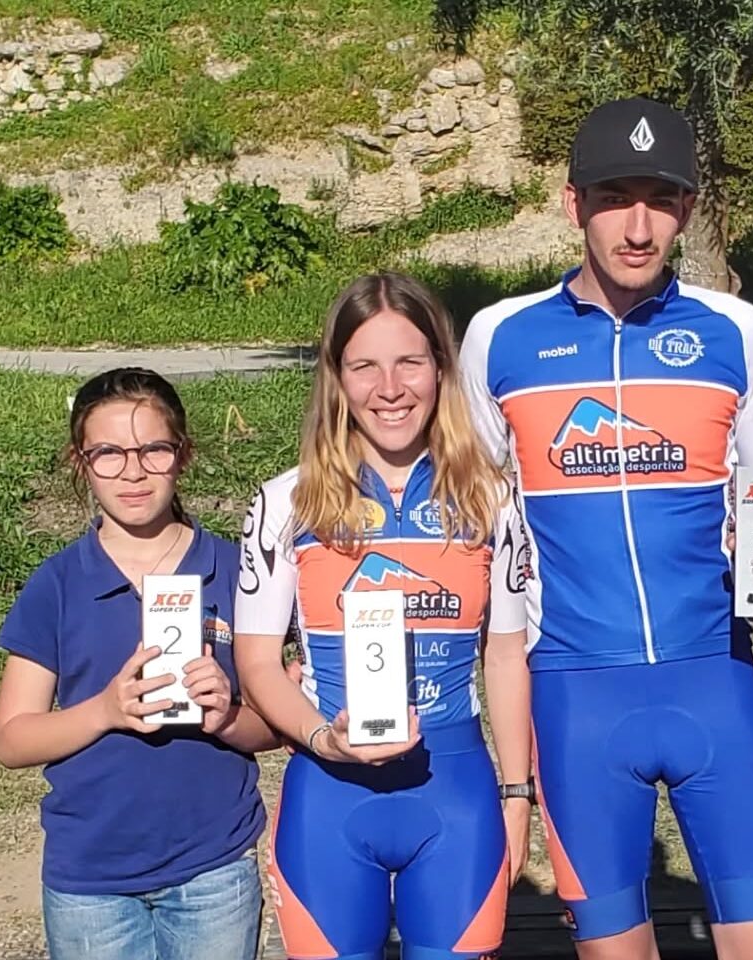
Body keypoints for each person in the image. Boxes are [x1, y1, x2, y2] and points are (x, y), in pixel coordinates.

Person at [459, 97, 753, 960]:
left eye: (660, 201)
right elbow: (471, 520)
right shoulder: (499, 337)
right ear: (572, 204)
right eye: (615, 199)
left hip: (716, 678)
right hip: (575, 693)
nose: (637, 226)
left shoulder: (733, 330)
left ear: (687, 210)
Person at [233, 272, 532, 960]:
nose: (389, 388)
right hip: (328, 793)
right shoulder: (285, 503)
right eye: (364, 365)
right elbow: (257, 664)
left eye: (409, 363)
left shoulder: (492, 498)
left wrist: (517, 796)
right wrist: (323, 738)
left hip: (454, 792)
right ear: (336, 378)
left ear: (441, 369)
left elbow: (505, 656)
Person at [0, 368, 273, 960]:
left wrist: (226, 716)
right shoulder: (57, 584)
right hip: (90, 879)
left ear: (183, 454)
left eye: (153, 450)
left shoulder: (235, 571)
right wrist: (105, 710)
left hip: (213, 866)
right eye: (109, 453)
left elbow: (276, 725)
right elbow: (13, 740)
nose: (134, 471)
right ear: (80, 462)